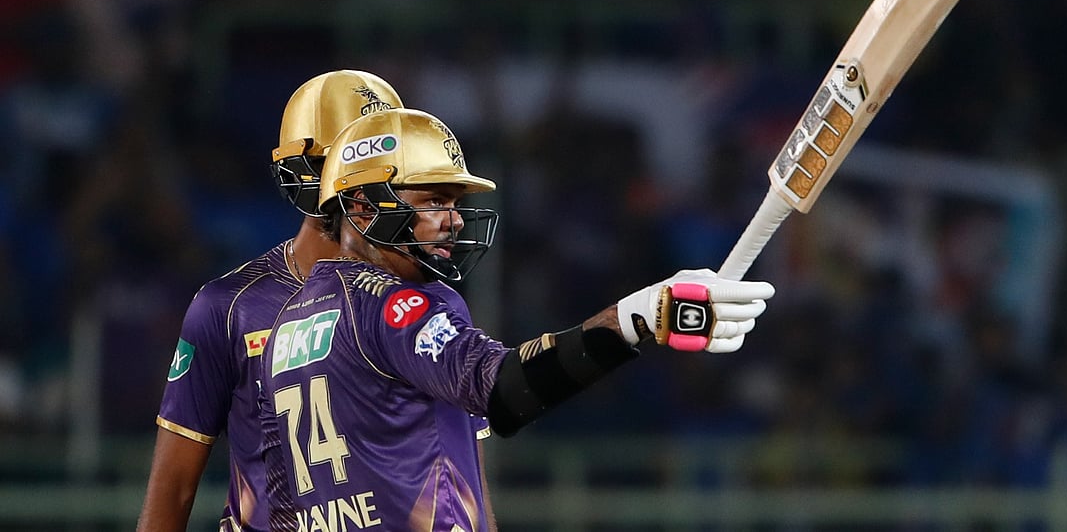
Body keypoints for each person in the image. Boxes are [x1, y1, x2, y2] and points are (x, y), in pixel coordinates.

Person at [259, 107, 775, 531]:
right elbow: (503, 390)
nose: (454, 220)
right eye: (434, 200)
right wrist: (636, 318)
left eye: (455, 202)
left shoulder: (286, 321)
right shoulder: (397, 304)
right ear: (362, 207)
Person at [136, 70, 403, 532]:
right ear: (308, 172)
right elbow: (171, 495)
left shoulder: (417, 306)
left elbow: (462, 485)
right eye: (357, 167)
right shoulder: (228, 308)